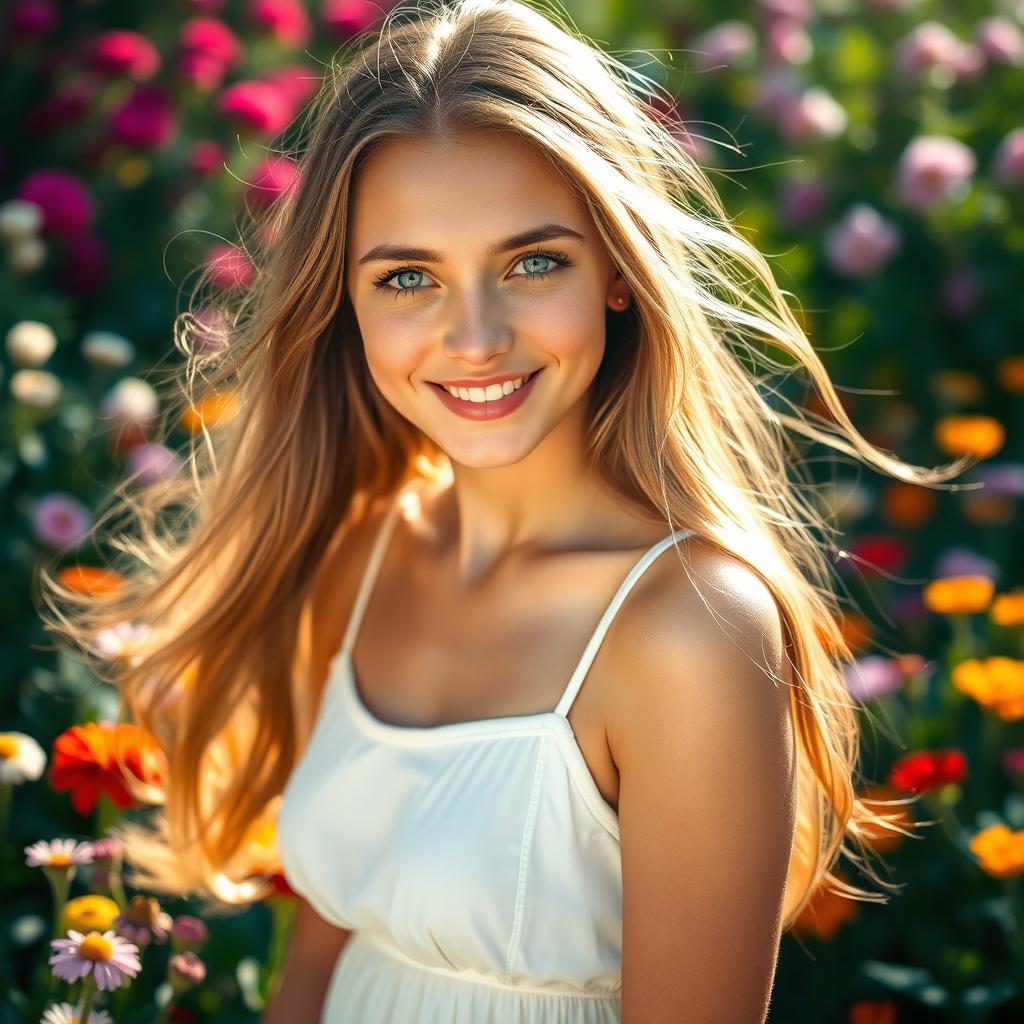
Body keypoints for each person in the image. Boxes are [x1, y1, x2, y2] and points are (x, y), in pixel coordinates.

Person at [38, 0, 968, 1020]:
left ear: (616, 270)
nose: (474, 337)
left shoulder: (688, 628)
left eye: (533, 263)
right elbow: (319, 956)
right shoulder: (366, 550)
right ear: (343, 302)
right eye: (407, 278)